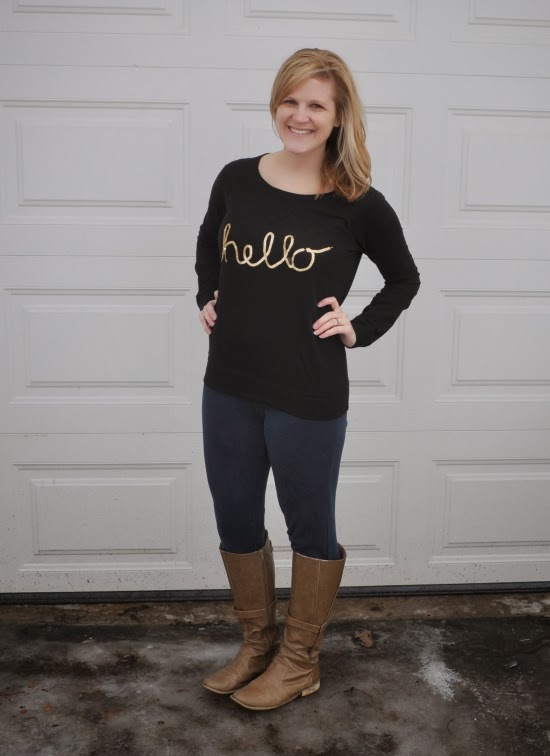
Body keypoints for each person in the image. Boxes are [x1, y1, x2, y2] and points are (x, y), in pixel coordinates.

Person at [195, 48, 420, 711]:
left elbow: (404, 278)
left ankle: (299, 662)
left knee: (309, 526)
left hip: (307, 392)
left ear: (338, 115)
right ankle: (257, 643)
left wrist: (358, 327)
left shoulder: (357, 203)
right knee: (235, 517)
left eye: (316, 104)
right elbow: (210, 241)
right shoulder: (237, 178)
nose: (300, 115)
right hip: (228, 382)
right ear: (276, 104)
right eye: (290, 101)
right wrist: (208, 293)